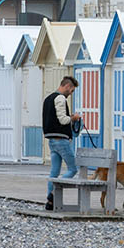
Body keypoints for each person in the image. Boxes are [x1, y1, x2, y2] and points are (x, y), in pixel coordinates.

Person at [41, 76, 81, 209]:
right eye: (72, 91)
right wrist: (74, 118)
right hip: (61, 140)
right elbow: (63, 120)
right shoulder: (60, 98)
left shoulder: (48, 99)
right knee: (73, 169)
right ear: (67, 86)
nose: (71, 94)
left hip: (51, 140)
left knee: (54, 172)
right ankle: (53, 194)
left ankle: (50, 203)